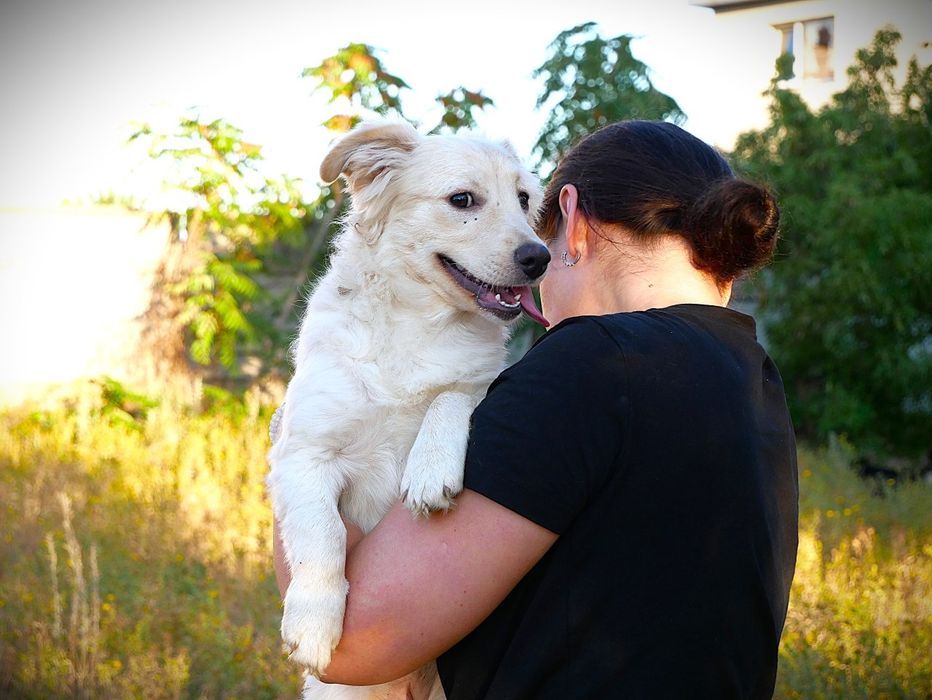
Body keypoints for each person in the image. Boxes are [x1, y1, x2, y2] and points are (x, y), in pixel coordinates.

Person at [273, 120, 799, 699]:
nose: (528, 250)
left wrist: (291, 437)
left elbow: (353, 644)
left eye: (530, 213)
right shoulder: (751, 379)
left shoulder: (593, 364)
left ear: (571, 219)